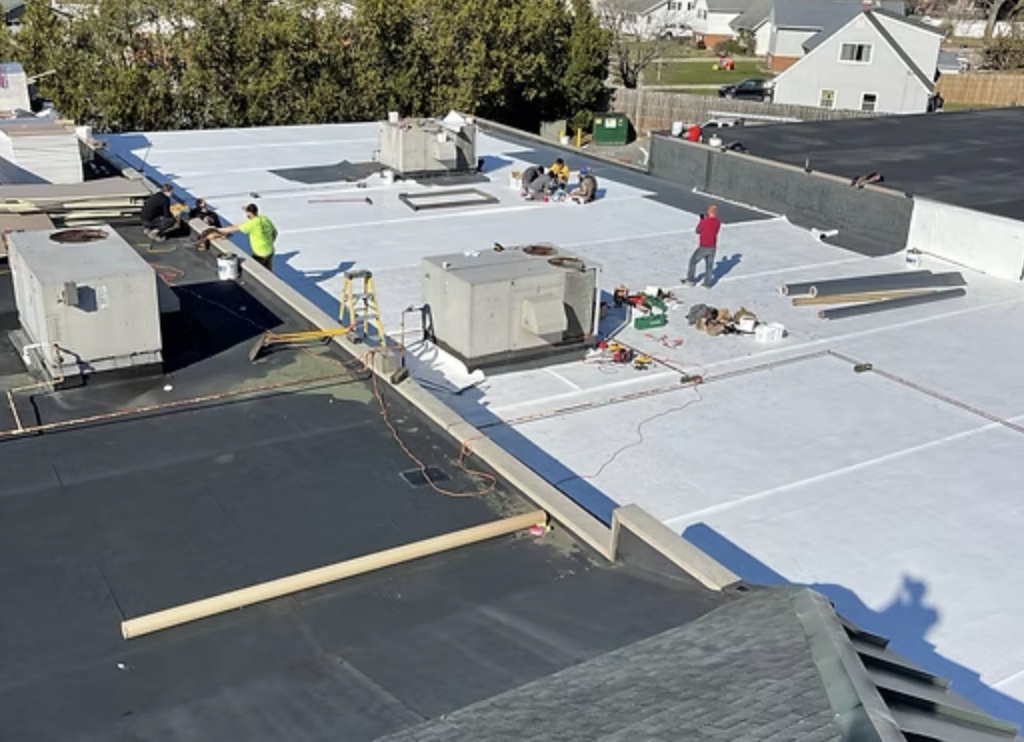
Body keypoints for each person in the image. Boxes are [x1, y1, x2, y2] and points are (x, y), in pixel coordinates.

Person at [215, 203, 278, 271]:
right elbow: (275, 232)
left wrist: (217, 230)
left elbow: (234, 228)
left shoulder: (252, 224)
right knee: (268, 271)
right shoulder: (264, 218)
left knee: (258, 271)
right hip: (269, 250)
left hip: (259, 253)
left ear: (249, 213)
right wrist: (270, 242)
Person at [686, 204, 720, 288]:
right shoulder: (717, 222)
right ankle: (707, 283)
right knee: (709, 266)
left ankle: (690, 280)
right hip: (713, 246)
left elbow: (698, 230)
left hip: (704, 246)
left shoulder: (705, 221)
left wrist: (701, 220)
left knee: (693, 261)